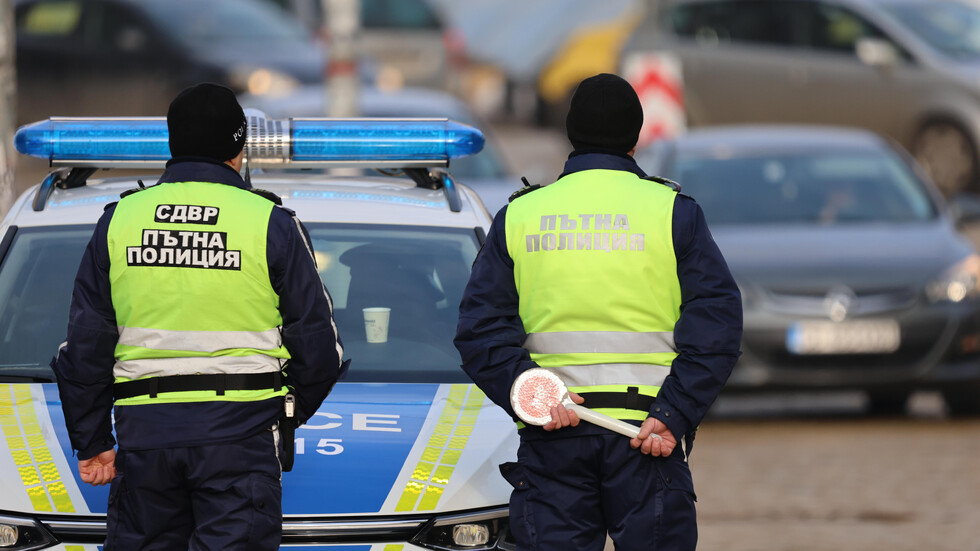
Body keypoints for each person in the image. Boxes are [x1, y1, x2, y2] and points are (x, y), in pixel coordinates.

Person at [52, 83, 347, 550]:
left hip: (145, 440)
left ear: (173, 144)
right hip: (241, 438)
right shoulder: (270, 223)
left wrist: (92, 440)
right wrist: (281, 416)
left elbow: (86, 343)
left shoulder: (120, 220)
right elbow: (319, 349)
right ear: (239, 148)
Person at [454, 73, 742, 551]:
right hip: (647, 436)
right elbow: (718, 327)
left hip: (555, 437)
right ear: (635, 136)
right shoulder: (673, 212)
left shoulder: (521, 216)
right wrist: (673, 412)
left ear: (571, 133)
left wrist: (531, 391)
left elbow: (479, 331)